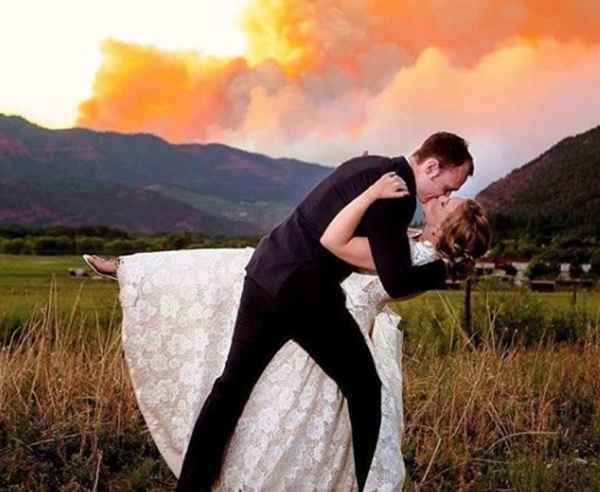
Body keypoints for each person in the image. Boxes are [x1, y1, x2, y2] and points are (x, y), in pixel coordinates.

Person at [86, 132, 479, 491]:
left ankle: (191, 488)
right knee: (364, 388)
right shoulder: (396, 193)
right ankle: (361, 485)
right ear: (431, 167)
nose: (439, 197)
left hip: (265, 270)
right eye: (446, 186)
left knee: (230, 388)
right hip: (306, 295)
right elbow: (394, 278)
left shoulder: (370, 164)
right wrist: (442, 271)